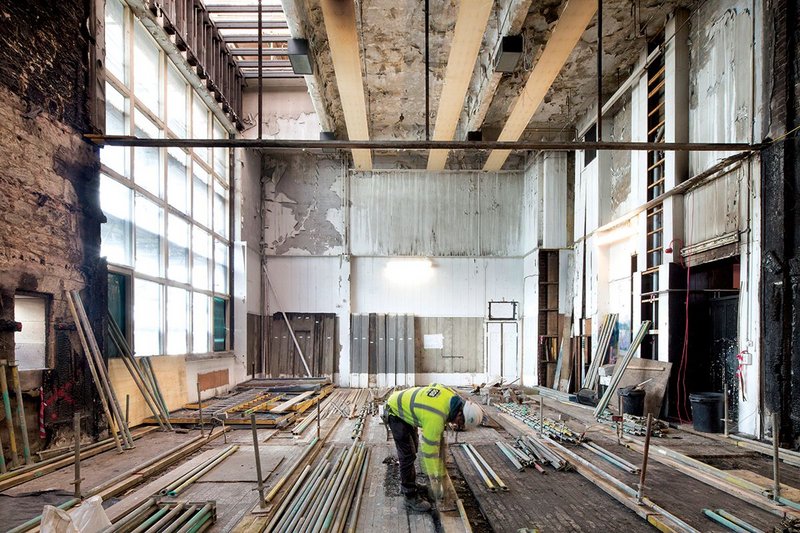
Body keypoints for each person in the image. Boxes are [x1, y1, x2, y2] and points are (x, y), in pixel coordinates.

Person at [384, 384, 483, 512]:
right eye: (460, 423)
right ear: (460, 414)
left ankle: (411, 483)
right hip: (395, 412)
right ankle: (409, 495)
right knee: (408, 455)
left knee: (413, 449)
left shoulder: (450, 395)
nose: (457, 426)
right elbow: (429, 453)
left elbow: (434, 385)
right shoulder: (435, 417)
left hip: (405, 406)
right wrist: (438, 479)